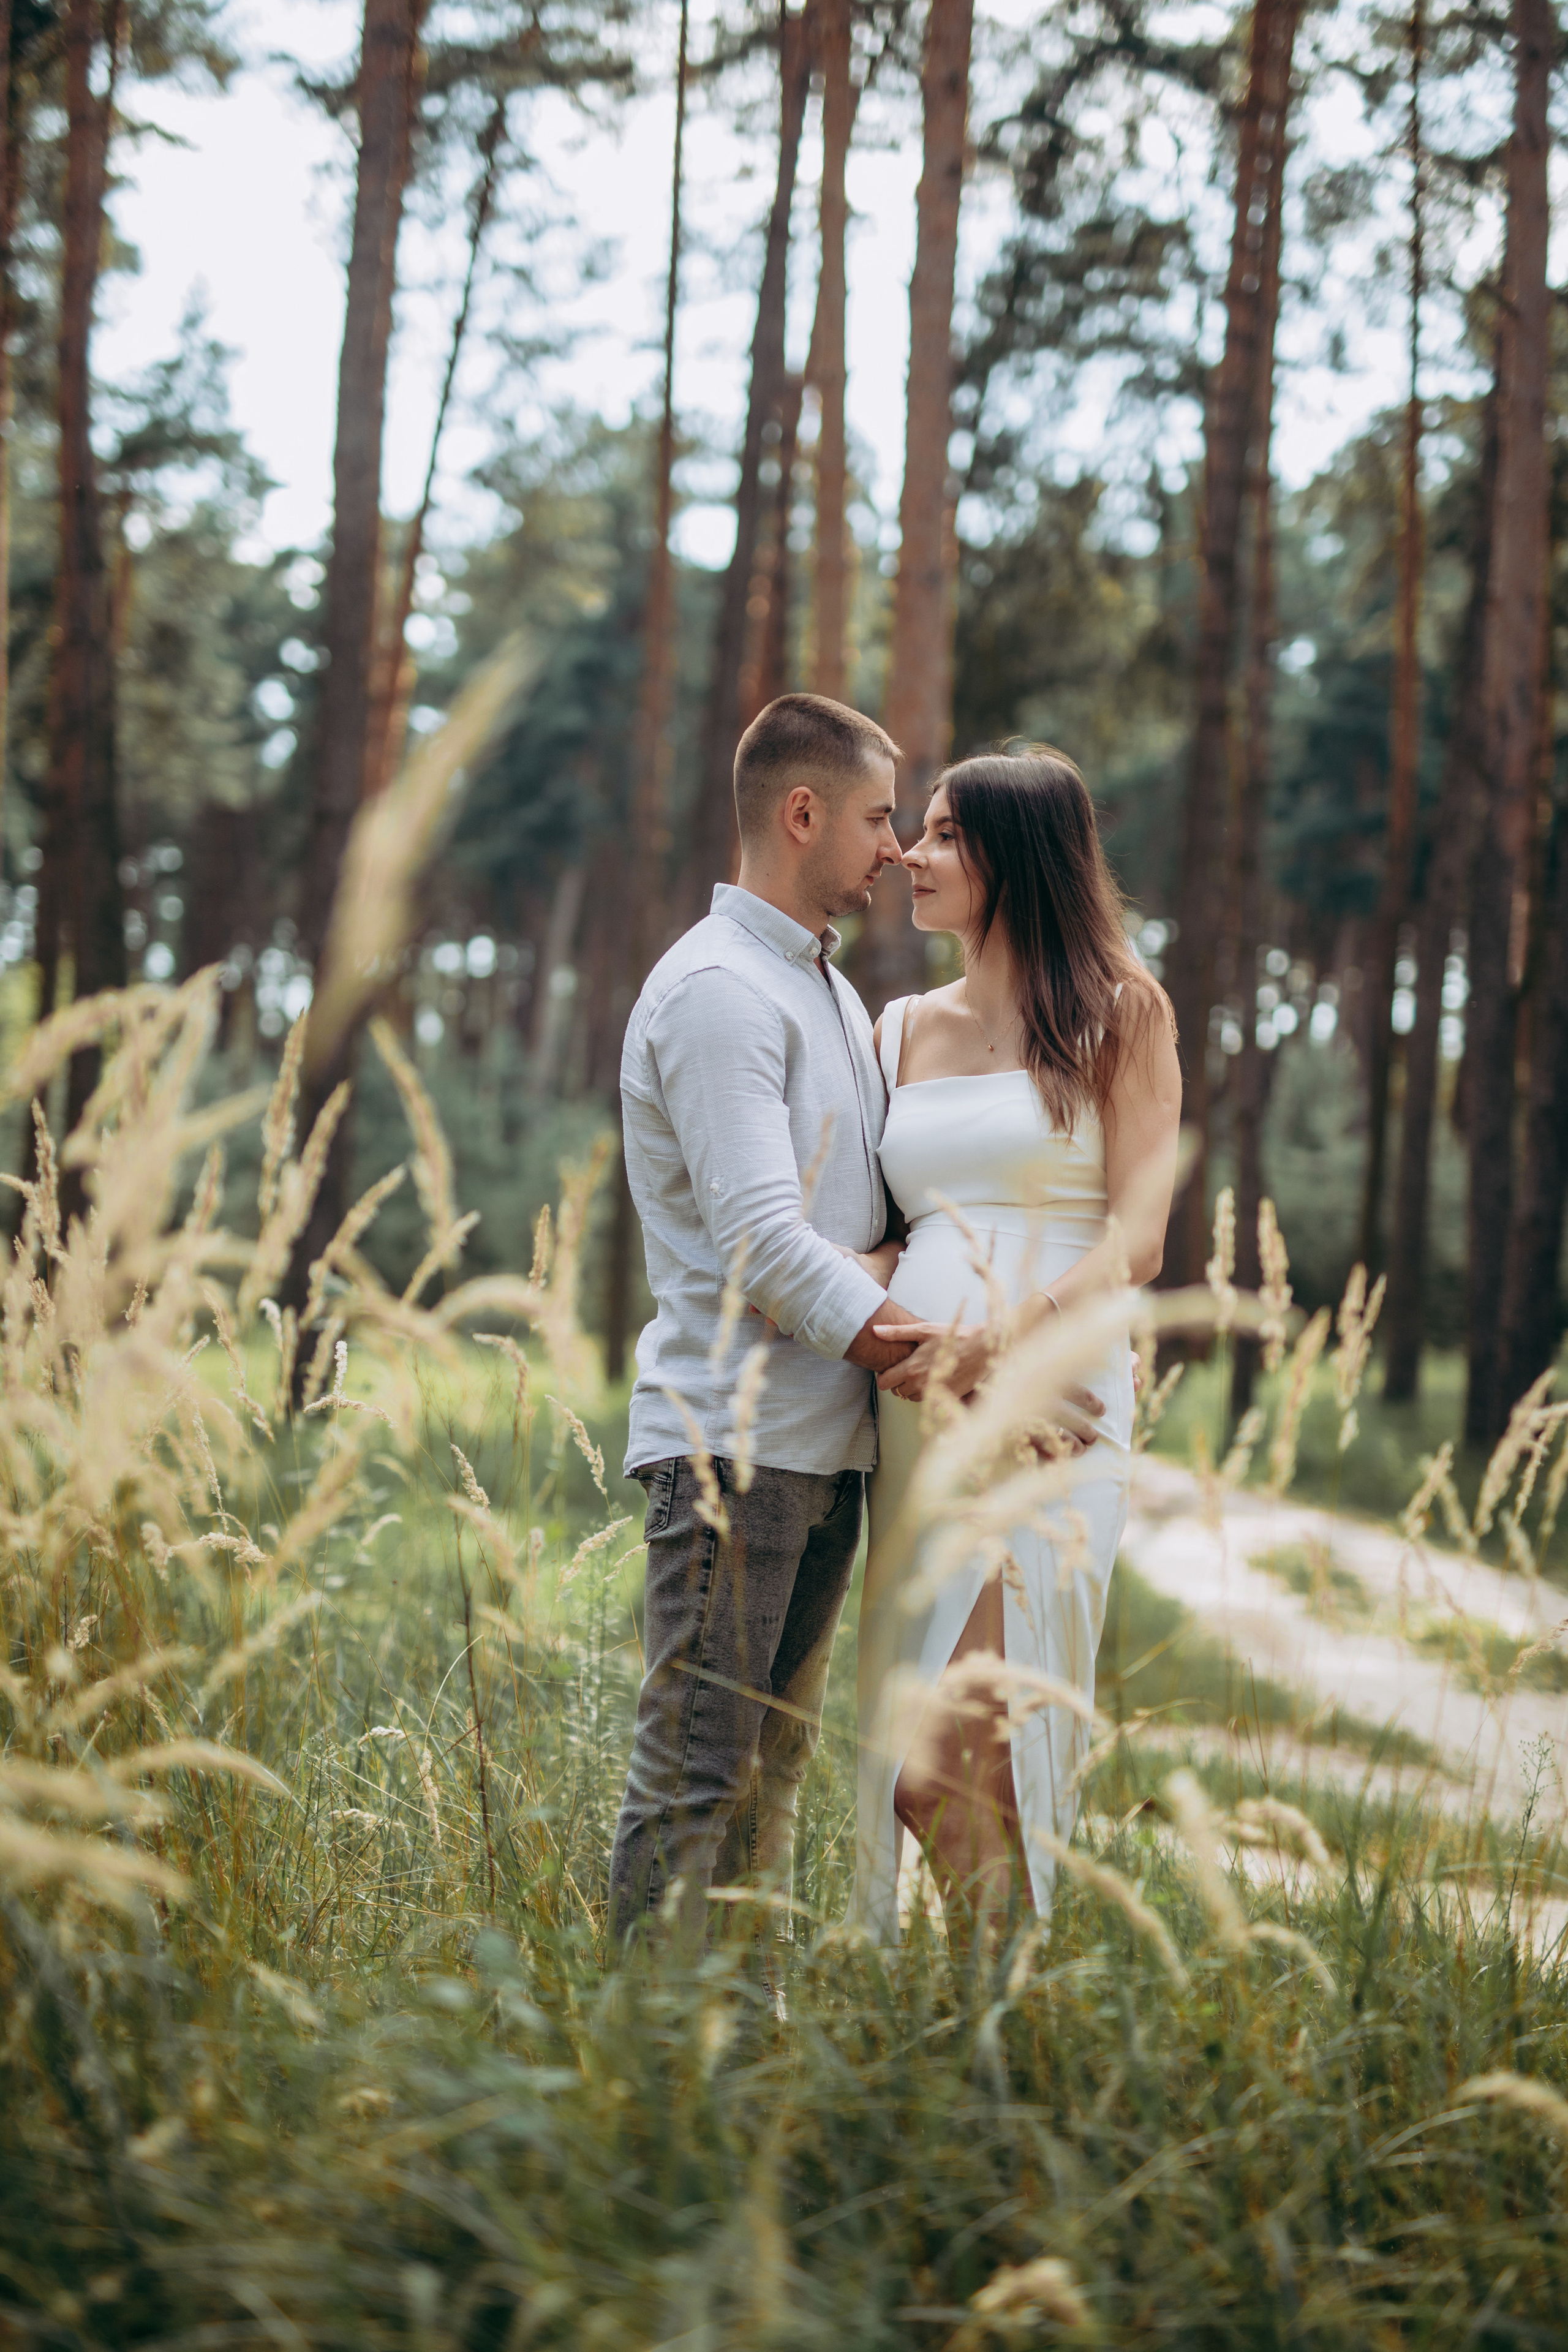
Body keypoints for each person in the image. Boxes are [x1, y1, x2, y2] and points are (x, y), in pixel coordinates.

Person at [606, 692, 924, 1955]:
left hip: (823, 1449)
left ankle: (735, 2047)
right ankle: (644, 2050)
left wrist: (880, 1265)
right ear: (802, 813)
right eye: (877, 818)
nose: (896, 845)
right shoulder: (717, 992)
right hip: (732, 1455)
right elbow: (758, 1244)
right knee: (695, 1783)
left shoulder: (822, 993)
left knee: (767, 1791)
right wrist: (933, 1353)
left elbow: (838, 1230)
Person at [851, 747, 1182, 1947]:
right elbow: (871, 1239)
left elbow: (1137, 1237)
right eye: (918, 829)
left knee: (942, 1766)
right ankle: (995, 2015)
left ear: (1020, 856)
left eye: (946, 834)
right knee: (941, 1759)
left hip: (1052, 1406)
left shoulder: (1123, 1012)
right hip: (916, 1409)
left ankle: (1001, 2001)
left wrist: (1003, 1347)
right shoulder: (894, 1030)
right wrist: (891, 1331)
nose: (910, 853)